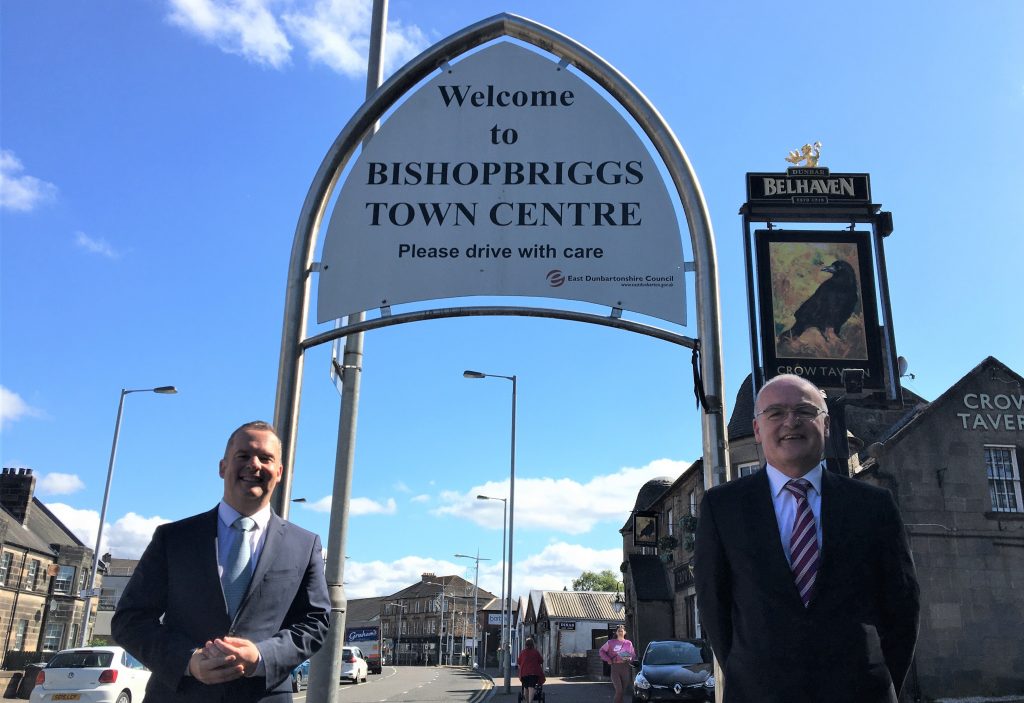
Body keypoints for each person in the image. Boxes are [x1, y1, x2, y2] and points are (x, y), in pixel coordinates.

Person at [694, 374, 920, 703]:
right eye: (775, 413)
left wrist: (881, 682)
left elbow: (902, 606)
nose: (791, 422)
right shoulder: (722, 507)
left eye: (804, 411)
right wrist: (749, 674)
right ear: (757, 429)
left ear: (826, 425)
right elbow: (715, 608)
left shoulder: (873, 505)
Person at [112, 421, 330, 702]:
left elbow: (316, 621)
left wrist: (261, 656)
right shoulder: (173, 538)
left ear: (279, 472)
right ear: (222, 467)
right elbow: (130, 619)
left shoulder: (304, 544)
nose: (254, 464)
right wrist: (188, 661)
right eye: (243, 456)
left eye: (266, 458)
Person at [599, 625, 635, 703]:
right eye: (619, 631)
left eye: (622, 631)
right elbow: (601, 651)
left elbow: (633, 655)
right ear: (616, 632)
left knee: (622, 692)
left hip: (625, 667)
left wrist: (630, 658)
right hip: (615, 667)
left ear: (625, 632)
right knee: (619, 691)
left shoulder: (629, 643)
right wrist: (608, 659)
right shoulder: (610, 642)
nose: (620, 632)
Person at [517, 638, 545, 703]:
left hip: (524, 673)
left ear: (526, 644)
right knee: (531, 687)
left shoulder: (523, 652)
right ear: (533, 644)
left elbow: (519, 662)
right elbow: (541, 661)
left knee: (525, 688)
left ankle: (527, 702)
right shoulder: (535, 652)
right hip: (533, 673)